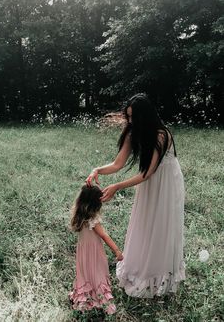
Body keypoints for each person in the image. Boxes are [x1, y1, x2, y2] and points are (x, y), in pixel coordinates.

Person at [86, 93, 185, 298]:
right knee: (145, 223)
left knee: (161, 225)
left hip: (165, 181)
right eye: (128, 117)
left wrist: (117, 186)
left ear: (145, 117)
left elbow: (148, 173)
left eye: (134, 117)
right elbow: (117, 164)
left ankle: (160, 273)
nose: (130, 121)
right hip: (148, 183)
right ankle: (141, 267)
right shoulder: (133, 132)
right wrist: (97, 169)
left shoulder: (161, 135)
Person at [69, 184, 123, 314]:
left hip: (83, 253)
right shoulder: (93, 219)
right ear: (95, 203)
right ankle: (100, 300)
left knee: (85, 274)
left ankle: (84, 299)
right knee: (97, 273)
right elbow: (104, 236)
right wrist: (116, 250)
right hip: (94, 253)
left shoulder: (79, 215)